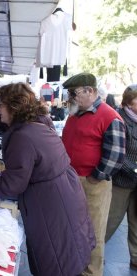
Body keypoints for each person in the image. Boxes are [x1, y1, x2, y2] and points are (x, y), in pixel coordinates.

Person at [0, 82, 95, 276]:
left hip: (50, 207)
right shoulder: (36, 119)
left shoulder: (22, 137)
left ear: (13, 108)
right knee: (68, 256)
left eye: (1, 104)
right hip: (64, 197)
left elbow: (12, 184)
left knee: (55, 263)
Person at [61, 73, 126, 276]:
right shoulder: (76, 114)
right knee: (72, 226)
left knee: (94, 231)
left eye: (74, 93)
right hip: (72, 179)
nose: (70, 97)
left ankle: (91, 273)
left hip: (92, 183)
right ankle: (74, 267)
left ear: (90, 91)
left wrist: (96, 176)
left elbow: (116, 156)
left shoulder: (109, 117)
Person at [105, 84, 137, 271]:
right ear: (129, 101)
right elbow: (118, 153)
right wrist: (133, 170)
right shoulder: (119, 119)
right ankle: (92, 254)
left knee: (135, 223)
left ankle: (135, 259)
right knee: (110, 221)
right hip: (120, 182)